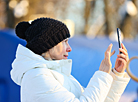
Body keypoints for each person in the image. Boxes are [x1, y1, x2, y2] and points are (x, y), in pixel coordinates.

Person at [10, 17, 130, 102]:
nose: (69, 48)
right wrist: (103, 75)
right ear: (48, 44)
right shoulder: (36, 77)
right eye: (65, 42)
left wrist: (117, 75)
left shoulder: (59, 75)